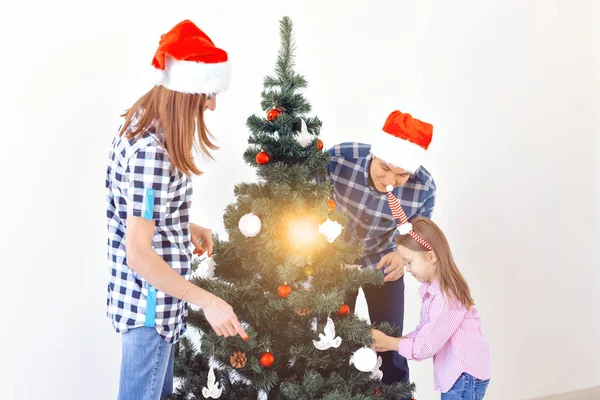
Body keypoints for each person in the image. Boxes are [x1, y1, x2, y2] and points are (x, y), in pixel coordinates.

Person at [105, 20, 247, 400]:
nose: (213, 104)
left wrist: (184, 226)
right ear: (185, 92)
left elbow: (138, 214)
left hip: (154, 308)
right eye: (207, 95)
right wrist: (207, 300)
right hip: (150, 309)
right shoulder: (150, 153)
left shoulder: (143, 126)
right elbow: (138, 252)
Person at [326, 110, 436, 383]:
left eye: (401, 175)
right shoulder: (338, 159)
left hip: (384, 264)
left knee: (390, 342)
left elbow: (418, 236)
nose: (389, 181)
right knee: (330, 340)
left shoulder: (424, 188)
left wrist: (401, 256)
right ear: (374, 154)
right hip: (333, 261)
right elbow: (304, 202)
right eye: (384, 168)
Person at [371, 191, 491, 399]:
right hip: (459, 375)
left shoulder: (445, 298)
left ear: (431, 256)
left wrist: (391, 343)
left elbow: (425, 346)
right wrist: (394, 340)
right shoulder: (434, 292)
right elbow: (424, 330)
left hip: (463, 376)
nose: (407, 269)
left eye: (409, 262)